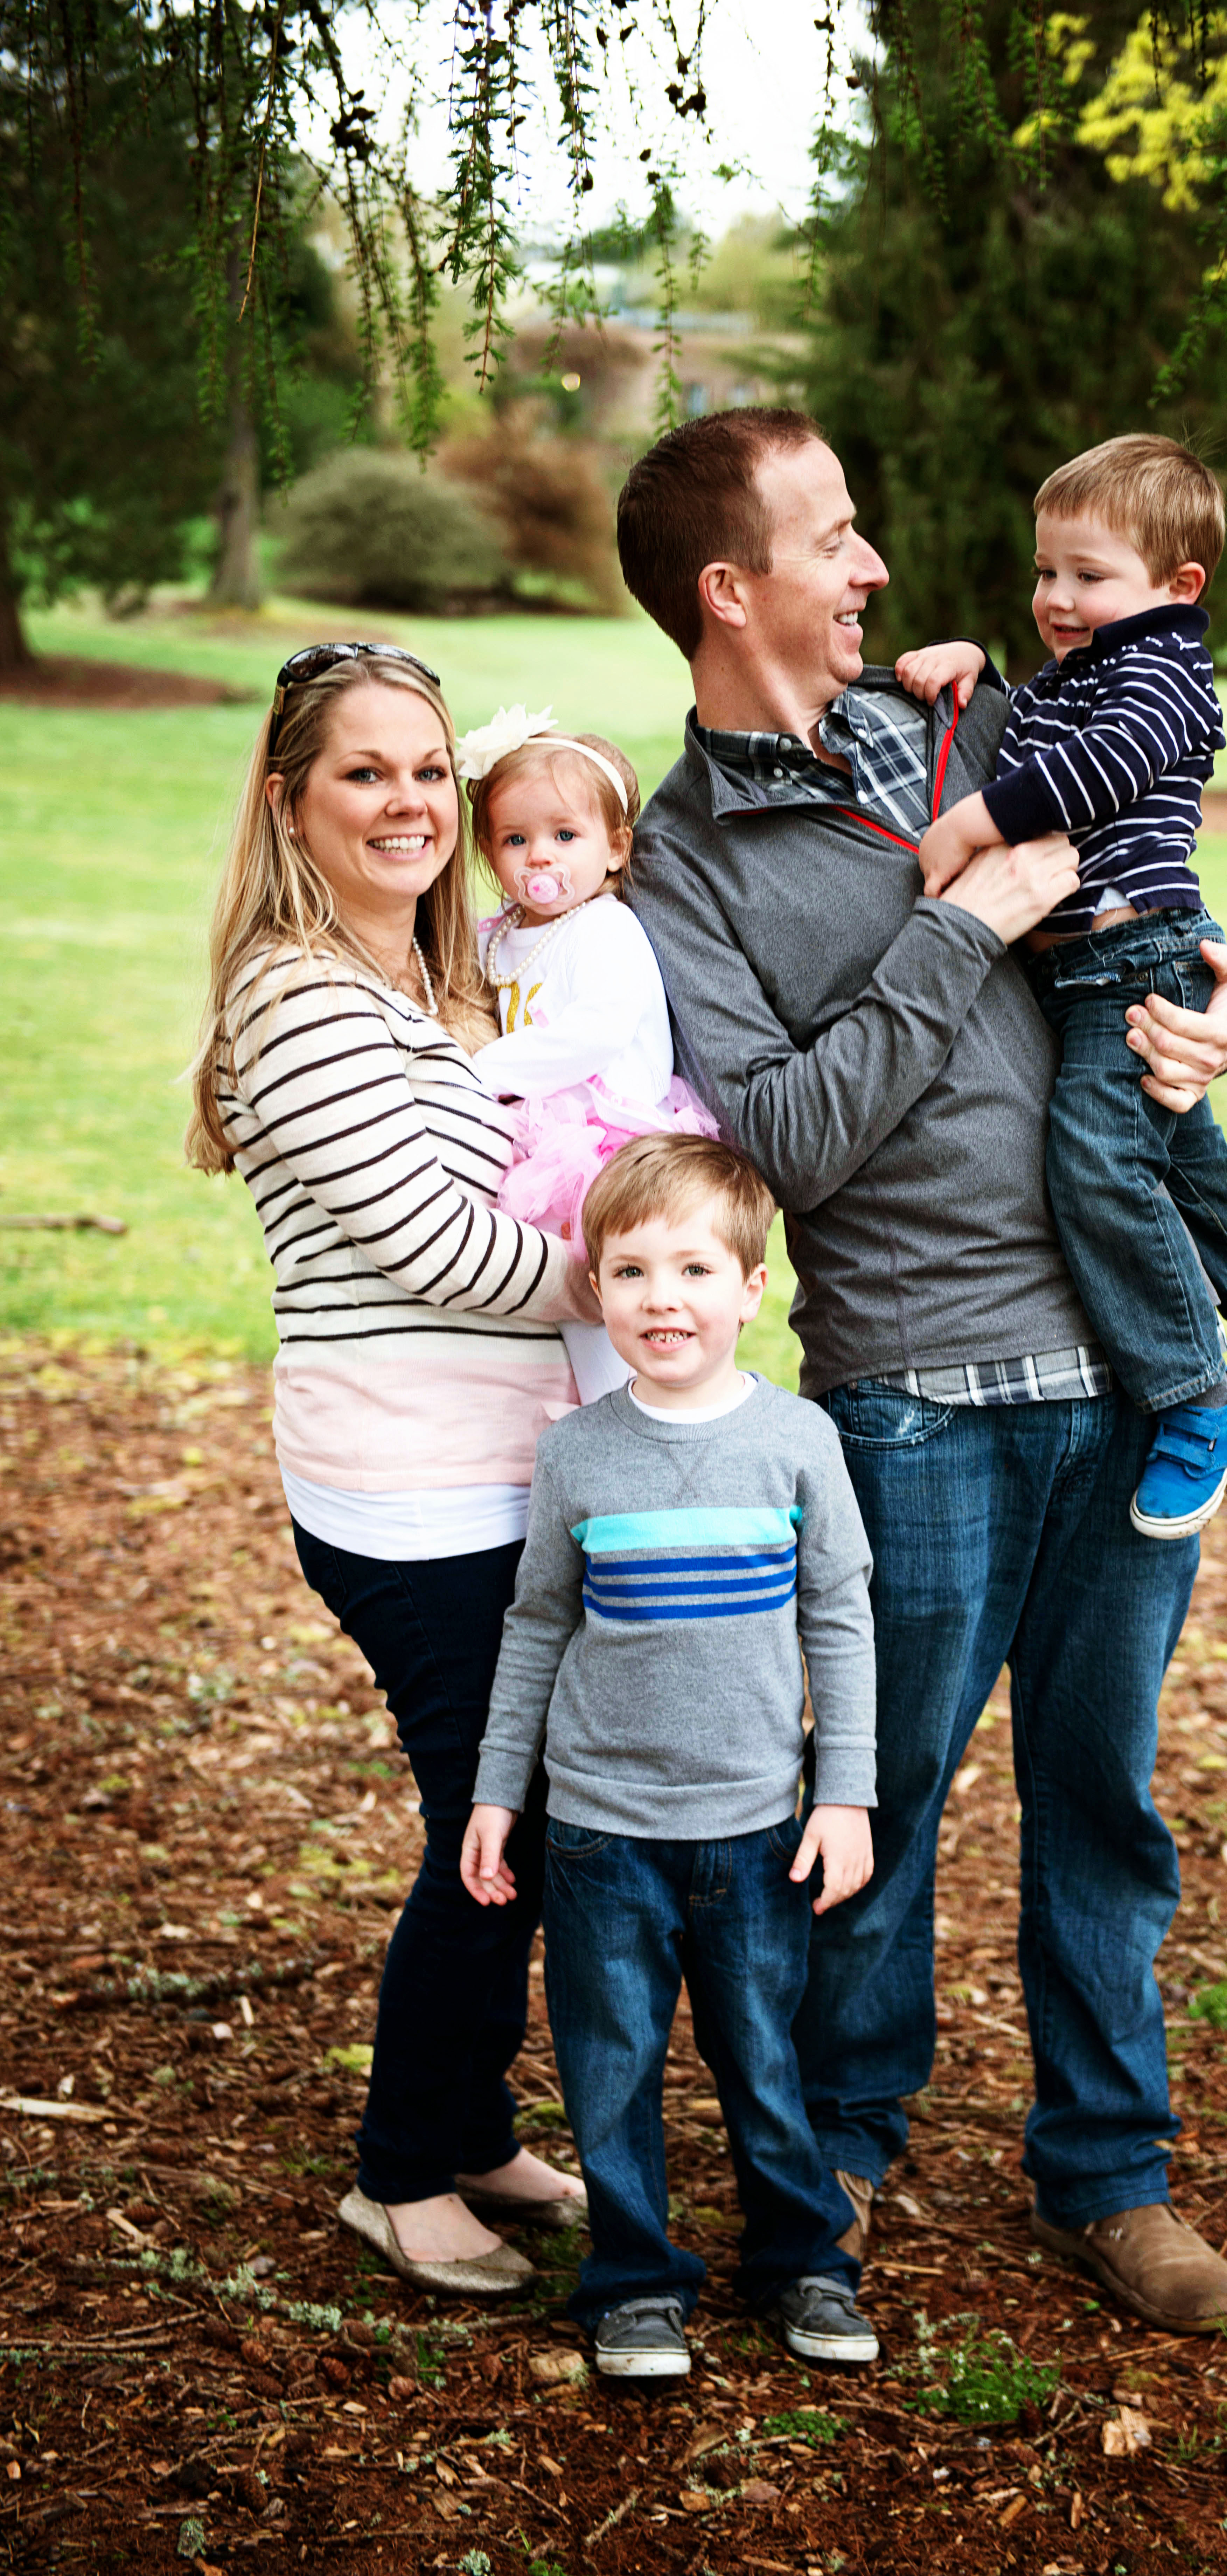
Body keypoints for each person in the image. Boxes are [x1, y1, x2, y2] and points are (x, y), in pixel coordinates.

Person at [615, 407, 1227, 2332]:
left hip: (1130, 1377)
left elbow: (1149, 907)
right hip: (913, 1399)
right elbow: (788, 1141)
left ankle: (1108, 2172)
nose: (878, 565)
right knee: (875, 1796)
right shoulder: (680, 863)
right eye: (835, 535)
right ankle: (842, 2144)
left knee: (1102, 1796)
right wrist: (958, 926)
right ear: (731, 590)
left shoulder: (971, 720)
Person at [185, 643, 592, 2297]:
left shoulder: (446, 983)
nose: (411, 802)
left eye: (429, 770)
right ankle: (400, 2169)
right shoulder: (296, 1000)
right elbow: (444, 1247)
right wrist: (654, 1284)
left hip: (502, 1471)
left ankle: (471, 2121)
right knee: (497, 1824)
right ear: (293, 802)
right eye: (366, 772)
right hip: (410, 1490)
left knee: (524, 1815)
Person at [461, 1132, 879, 2380]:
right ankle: (635, 2282)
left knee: (763, 2060)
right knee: (612, 2067)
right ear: (596, 1288)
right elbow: (537, 1624)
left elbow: (841, 1616)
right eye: (632, 1272)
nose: (663, 1299)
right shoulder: (578, 1454)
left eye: (695, 1270)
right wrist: (498, 1792)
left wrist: (846, 1793)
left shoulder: (798, 1439)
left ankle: (803, 2262)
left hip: (755, 1829)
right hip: (601, 1833)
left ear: (753, 1287)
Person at [898, 433, 1227, 1539]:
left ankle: (1194, 1393)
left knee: (1097, 1168)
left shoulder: (1164, 671)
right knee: (1190, 1168)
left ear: (1179, 586)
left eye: (1089, 576)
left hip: (1134, 960)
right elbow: (1039, 733)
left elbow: (1097, 768)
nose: (1058, 598)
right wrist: (979, 668)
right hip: (1100, 971)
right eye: (1045, 571)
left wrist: (968, 826)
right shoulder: (1088, 673)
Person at [458, 703, 719, 1406]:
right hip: (543, 1142)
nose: (540, 856)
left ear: (614, 848)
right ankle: (591, 1419)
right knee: (560, 1305)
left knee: (609, 1307)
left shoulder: (605, 927)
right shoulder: (495, 935)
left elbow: (596, 1032)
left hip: (607, 1146)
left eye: (565, 835)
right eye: (515, 839)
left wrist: (482, 1074)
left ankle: (636, 1415)